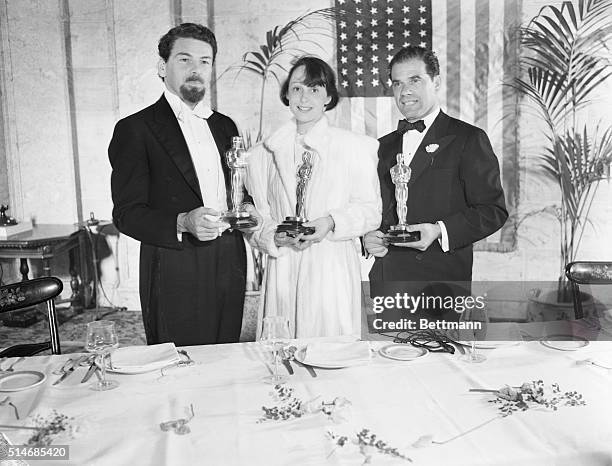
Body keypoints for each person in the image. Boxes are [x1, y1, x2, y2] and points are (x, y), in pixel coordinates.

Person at [109, 23, 255, 346]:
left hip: (229, 260)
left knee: (223, 360)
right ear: (163, 67)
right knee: (178, 370)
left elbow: (240, 189)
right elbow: (126, 213)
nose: (196, 70)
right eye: (185, 60)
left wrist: (248, 209)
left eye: (205, 61)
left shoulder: (225, 125)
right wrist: (182, 222)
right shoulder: (135, 129)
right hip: (173, 266)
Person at [245, 56, 381, 338]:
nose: (304, 97)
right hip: (283, 266)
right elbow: (258, 218)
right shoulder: (263, 154)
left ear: (328, 96)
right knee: (282, 354)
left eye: (314, 89)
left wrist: (332, 222)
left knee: (332, 351)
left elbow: (370, 210)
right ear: (287, 94)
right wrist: (274, 236)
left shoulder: (352, 147)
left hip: (331, 266)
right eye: (297, 89)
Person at [364, 46, 507, 287]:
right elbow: (373, 210)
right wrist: (367, 238)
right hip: (387, 281)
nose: (405, 91)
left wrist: (439, 230)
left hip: (441, 283)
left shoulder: (468, 139)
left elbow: (493, 211)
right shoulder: (382, 147)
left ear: (436, 82)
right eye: (397, 84)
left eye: (415, 80)